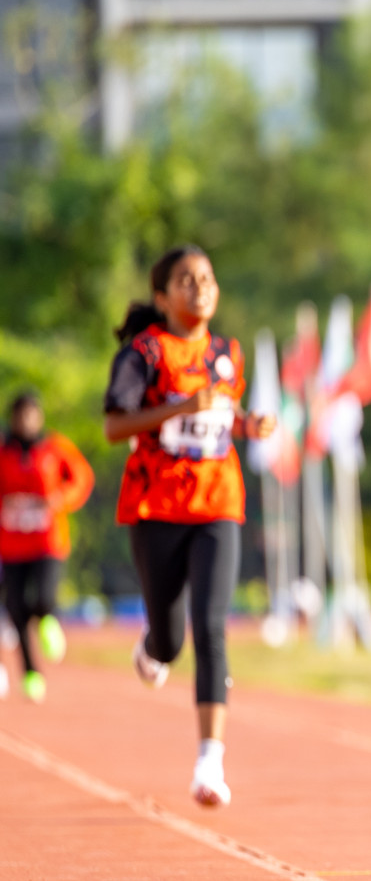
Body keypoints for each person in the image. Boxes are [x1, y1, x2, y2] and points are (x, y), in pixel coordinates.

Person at [103, 245, 276, 807]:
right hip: (157, 506)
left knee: (211, 625)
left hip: (217, 504)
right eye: (185, 280)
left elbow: (221, 420)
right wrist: (181, 406)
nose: (199, 287)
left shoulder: (228, 352)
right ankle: (152, 646)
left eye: (206, 278)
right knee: (171, 639)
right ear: (162, 297)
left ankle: (210, 762)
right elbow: (114, 425)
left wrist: (250, 423)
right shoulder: (144, 353)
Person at [0, 391, 94, 702]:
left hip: (47, 541)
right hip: (11, 545)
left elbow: (81, 478)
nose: (26, 421)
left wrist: (61, 499)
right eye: (20, 415)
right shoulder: (3, 451)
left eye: (31, 414)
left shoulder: (55, 448)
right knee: (15, 609)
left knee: (43, 596)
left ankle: (47, 618)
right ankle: (30, 672)